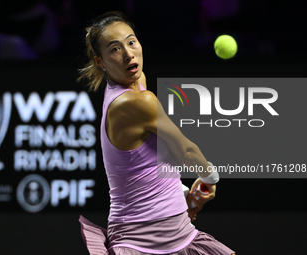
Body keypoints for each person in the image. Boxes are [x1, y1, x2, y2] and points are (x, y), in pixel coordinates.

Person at [77, 11, 235, 255]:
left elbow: (144, 160)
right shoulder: (133, 102)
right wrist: (210, 177)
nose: (129, 53)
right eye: (115, 49)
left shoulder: (137, 81)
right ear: (100, 61)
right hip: (139, 242)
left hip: (180, 233)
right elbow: (186, 151)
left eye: (131, 42)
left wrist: (179, 191)